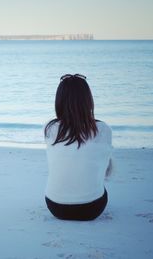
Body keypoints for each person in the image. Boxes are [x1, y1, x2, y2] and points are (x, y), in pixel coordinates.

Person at [44, 74, 113, 221]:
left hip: (55, 206)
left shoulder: (50, 129)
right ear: (88, 100)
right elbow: (107, 172)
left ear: (59, 101)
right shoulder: (103, 129)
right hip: (91, 208)